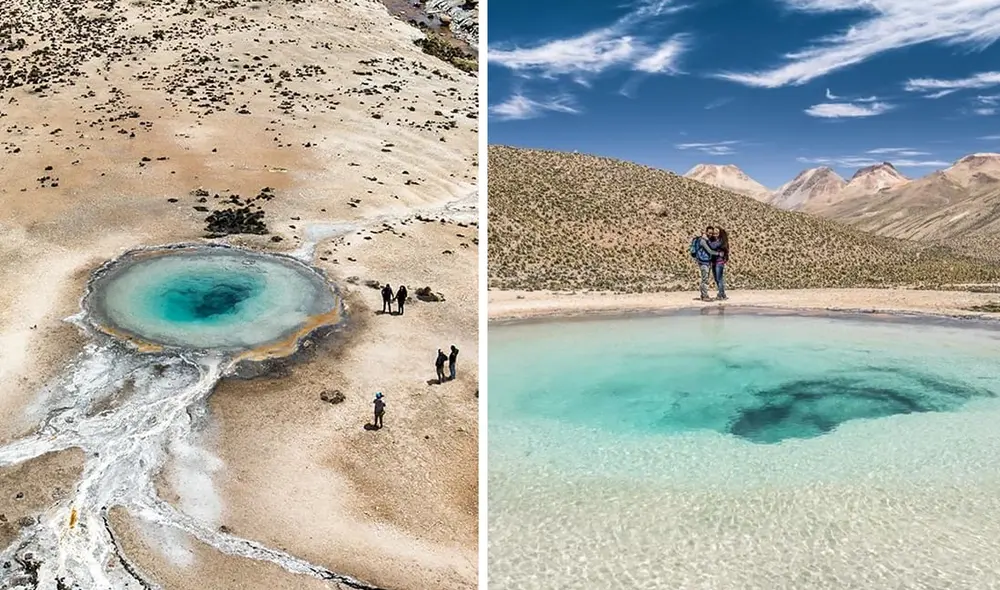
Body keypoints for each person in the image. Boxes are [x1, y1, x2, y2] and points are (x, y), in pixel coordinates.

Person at [689, 226, 721, 301]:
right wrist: (719, 254)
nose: (710, 234)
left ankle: (703, 295)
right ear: (706, 232)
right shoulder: (703, 241)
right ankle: (704, 295)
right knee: (705, 279)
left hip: (706, 261)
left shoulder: (706, 240)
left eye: (711, 233)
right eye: (709, 233)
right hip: (703, 261)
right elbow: (709, 251)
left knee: (705, 278)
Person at [709, 226, 729, 301]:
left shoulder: (720, 241)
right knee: (717, 279)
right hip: (714, 262)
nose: (715, 233)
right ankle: (722, 293)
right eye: (714, 232)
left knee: (719, 278)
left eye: (717, 232)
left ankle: (721, 294)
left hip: (719, 262)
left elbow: (712, 246)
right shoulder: (714, 240)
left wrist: (706, 240)